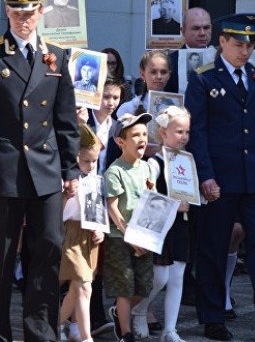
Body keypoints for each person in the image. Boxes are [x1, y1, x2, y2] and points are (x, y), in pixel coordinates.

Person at [0, 0, 80, 342]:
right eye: (15, 13)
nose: (22, 20)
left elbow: (66, 121)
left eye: (29, 13)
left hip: (44, 172)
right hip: (3, 173)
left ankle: (40, 332)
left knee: (47, 251)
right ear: (7, 13)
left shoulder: (57, 56)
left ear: (40, 13)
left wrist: (71, 170)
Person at [184, 13, 255, 341]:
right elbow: (198, 133)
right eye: (237, 44)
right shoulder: (204, 78)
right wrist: (205, 175)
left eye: (248, 45)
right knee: (214, 248)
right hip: (220, 180)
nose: (244, 51)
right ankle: (213, 317)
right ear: (222, 42)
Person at [132, 105, 192, 342]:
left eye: (187, 132)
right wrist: (173, 205)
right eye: (178, 131)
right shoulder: (155, 162)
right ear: (163, 133)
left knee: (177, 276)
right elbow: (147, 193)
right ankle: (139, 310)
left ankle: (170, 329)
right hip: (160, 227)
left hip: (182, 225)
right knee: (159, 276)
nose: (184, 137)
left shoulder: (187, 160)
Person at [103, 112, 154, 342]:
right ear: (120, 142)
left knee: (143, 286)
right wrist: (129, 235)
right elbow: (112, 208)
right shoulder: (115, 171)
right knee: (124, 286)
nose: (142, 139)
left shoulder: (148, 168)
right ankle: (126, 334)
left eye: (144, 133)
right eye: (135, 135)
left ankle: (117, 311)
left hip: (143, 237)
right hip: (120, 238)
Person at [58, 123, 106, 342]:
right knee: (84, 286)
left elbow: (97, 211)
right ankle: (86, 337)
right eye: (85, 160)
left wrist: (100, 231)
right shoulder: (66, 179)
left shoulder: (95, 180)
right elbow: (57, 213)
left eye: (94, 161)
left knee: (80, 287)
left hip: (89, 237)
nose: (90, 165)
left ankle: (57, 323)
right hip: (71, 234)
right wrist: (66, 195)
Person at [163, 7, 213, 93]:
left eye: (206, 27)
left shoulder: (220, 58)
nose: (202, 33)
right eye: (196, 28)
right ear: (183, 31)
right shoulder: (170, 62)